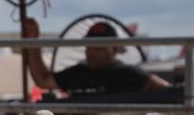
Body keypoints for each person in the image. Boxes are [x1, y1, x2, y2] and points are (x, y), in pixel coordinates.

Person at [23, 18, 170, 94]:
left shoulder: (129, 74)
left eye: (98, 47)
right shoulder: (78, 74)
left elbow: (167, 90)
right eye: (88, 47)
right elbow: (43, 80)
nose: (91, 52)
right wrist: (33, 42)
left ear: (114, 49)